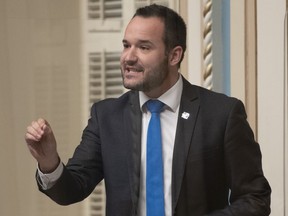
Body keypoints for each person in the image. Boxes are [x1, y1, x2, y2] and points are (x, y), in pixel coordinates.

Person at [25, 4, 271, 216]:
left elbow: (255, 198)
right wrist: (49, 163)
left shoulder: (222, 114)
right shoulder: (107, 116)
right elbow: (72, 189)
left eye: (143, 47)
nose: (128, 57)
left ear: (174, 55)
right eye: (126, 45)